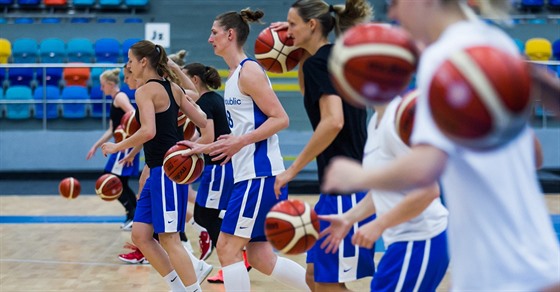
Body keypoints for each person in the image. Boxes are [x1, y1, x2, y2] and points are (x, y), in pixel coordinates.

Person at [321, 0, 560, 290]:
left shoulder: (442, 58)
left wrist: (358, 176)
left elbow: (427, 169)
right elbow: (532, 155)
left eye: (395, 3)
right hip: (534, 255)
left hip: (498, 265)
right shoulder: (494, 41)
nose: (393, 13)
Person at [179, 8, 308, 291]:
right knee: (261, 257)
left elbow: (280, 118)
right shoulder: (236, 74)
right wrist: (202, 148)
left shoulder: (249, 71)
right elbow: (238, 135)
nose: (210, 38)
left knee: (226, 247)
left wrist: (240, 141)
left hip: (259, 176)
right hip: (251, 175)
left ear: (230, 34)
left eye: (214, 32)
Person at [271, 1, 375, 290]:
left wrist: (292, 170)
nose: (286, 30)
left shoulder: (320, 63)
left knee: (329, 284)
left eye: (292, 24)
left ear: (312, 25)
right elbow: (309, 92)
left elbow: (333, 121)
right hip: (344, 184)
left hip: (346, 188)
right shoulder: (333, 59)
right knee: (314, 277)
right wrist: (293, 45)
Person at [102, 40, 208, 292]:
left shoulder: (145, 91)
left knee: (170, 239)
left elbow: (148, 130)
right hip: (157, 171)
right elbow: (202, 119)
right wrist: (189, 142)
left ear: (143, 62)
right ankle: (178, 288)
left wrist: (119, 146)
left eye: (130, 60)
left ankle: (193, 290)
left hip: (167, 172)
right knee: (140, 235)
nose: (127, 65)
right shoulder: (173, 88)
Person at [319, 92, 450, 291]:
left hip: (420, 240)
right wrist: (348, 218)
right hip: (404, 243)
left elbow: (428, 190)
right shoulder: (375, 123)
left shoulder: (397, 120)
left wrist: (378, 225)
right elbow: (387, 189)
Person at [181, 62, 252, 284]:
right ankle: (239, 254)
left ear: (194, 80)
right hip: (220, 165)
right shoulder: (213, 98)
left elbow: (208, 138)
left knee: (207, 215)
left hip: (219, 166)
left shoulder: (205, 102)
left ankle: (234, 259)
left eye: (184, 79)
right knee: (206, 215)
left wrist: (185, 149)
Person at [86, 68, 139, 231]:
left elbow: (134, 115)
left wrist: (127, 135)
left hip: (124, 146)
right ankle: (134, 216)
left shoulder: (120, 97)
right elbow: (111, 130)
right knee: (120, 182)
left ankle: (132, 215)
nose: (101, 89)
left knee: (110, 180)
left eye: (102, 85)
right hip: (121, 145)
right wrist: (95, 146)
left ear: (110, 84)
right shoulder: (114, 99)